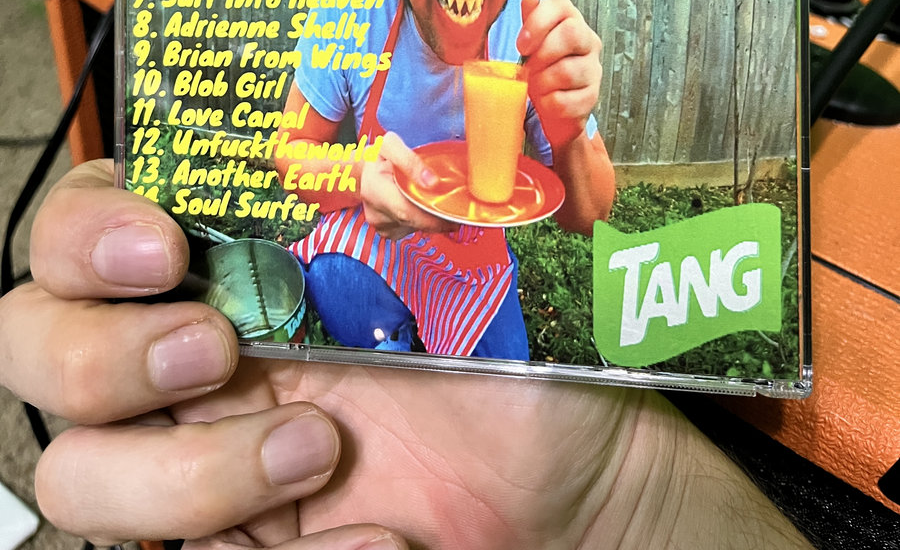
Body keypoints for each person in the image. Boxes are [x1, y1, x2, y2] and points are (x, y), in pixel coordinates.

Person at [0, 158, 814, 550]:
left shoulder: (531, 22)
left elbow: (584, 200)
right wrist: (357, 173)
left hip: (478, 287)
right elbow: (300, 156)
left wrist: (633, 497)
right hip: (366, 259)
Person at [275, 0, 615, 359]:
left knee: (502, 383)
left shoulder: (532, 12)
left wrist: (566, 128)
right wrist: (358, 176)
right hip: (371, 229)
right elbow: (291, 152)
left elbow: (591, 216)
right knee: (347, 296)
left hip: (476, 257)